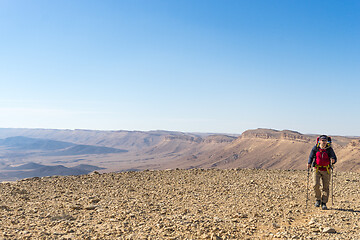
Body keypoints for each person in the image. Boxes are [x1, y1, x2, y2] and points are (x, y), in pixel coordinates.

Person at [307, 135, 337, 210]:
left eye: (325, 140)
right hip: (316, 169)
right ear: (319, 141)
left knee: (325, 187)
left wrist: (333, 160)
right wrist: (309, 163)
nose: (323, 142)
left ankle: (324, 203)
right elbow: (311, 156)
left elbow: (334, 157)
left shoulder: (329, 149)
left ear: (327, 141)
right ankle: (318, 199)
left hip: (326, 170)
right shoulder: (315, 148)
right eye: (322, 140)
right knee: (315, 185)